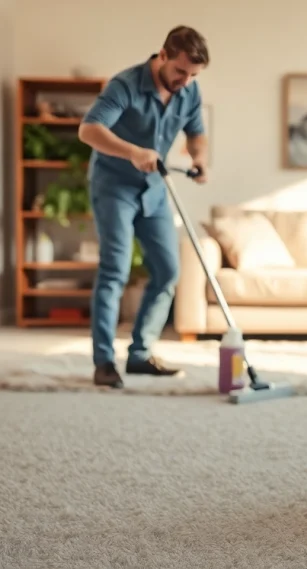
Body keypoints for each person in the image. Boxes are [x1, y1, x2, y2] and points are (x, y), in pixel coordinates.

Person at [78, 26, 210, 388]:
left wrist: (200, 159)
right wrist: (133, 152)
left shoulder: (189, 91)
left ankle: (140, 354)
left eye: (193, 75)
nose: (185, 81)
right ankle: (104, 362)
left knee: (168, 270)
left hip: (153, 190)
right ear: (163, 56)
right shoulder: (125, 85)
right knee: (115, 270)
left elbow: (197, 133)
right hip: (114, 186)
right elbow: (88, 131)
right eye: (180, 72)